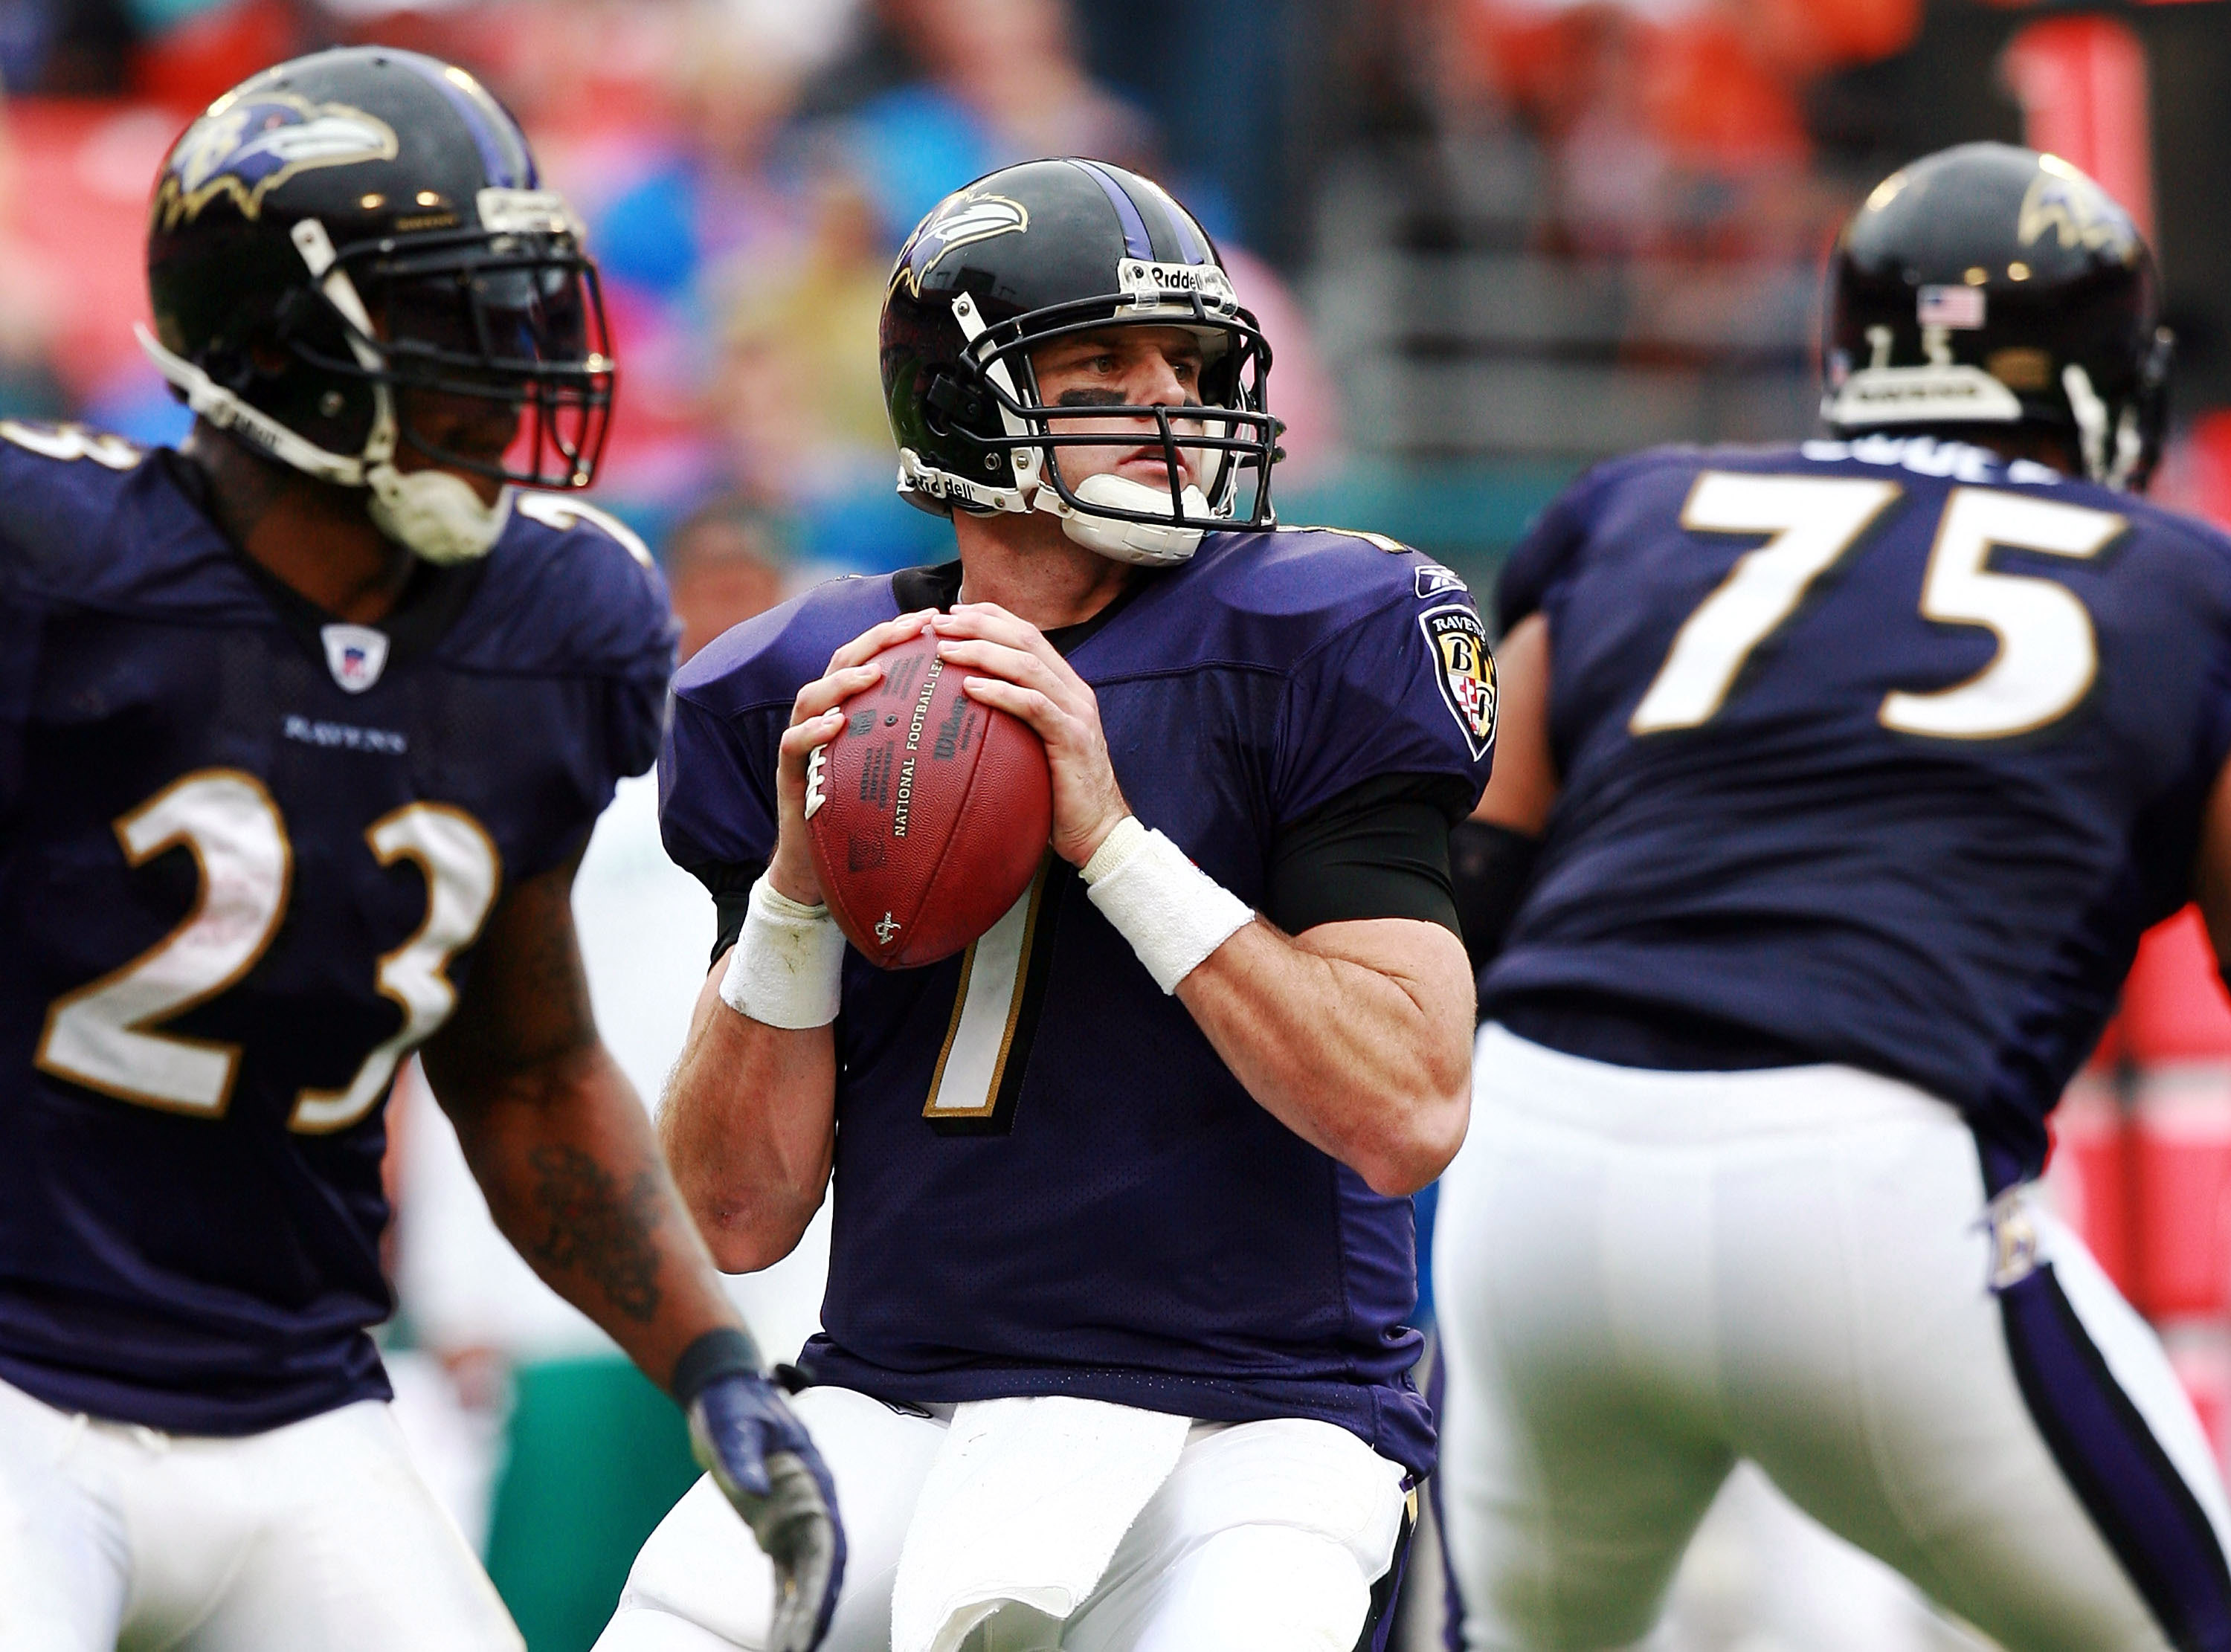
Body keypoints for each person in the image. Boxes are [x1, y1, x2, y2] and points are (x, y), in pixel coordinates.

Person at [0, 47, 840, 1652]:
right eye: (445, 315)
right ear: (276, 341)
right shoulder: (55, 572)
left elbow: (524, 1070)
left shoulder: (550, 624)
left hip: (305, 1402)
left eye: (513, 306)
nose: (512, 364)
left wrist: (719, 1370)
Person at [599, 157, 1490, 1652]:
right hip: (893, 1390)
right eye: (1105, 361)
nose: (1168, 399)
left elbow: (1405, 1106)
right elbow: (740, 1216)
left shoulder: (1318, 637)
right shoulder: (797, 689)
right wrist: (797, 892)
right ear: (959, 399)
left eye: (1192, 362)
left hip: (1249, 1418)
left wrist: (1115, 838)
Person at [1434, 141, 2231, 1651]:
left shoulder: (1639, 508)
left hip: (1537, 1158)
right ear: (2109, 376)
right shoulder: (2183, 582)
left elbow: (1470, 879)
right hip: (1869, 1184)